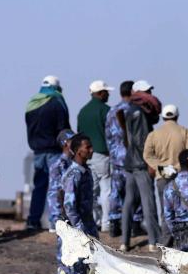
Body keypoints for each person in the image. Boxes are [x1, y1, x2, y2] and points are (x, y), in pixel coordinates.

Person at [144, 103, 188, 246]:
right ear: (177, 116)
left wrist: (161, 167)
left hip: (162, 177)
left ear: (162, 117)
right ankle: (183, 241)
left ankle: (166, 242)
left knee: (165, 210)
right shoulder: (185, 132)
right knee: (183, 210)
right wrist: (177, 167)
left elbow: (147, 155)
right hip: (181, 177)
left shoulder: (154, 134)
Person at [120, 80, 163, 252]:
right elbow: (141, 140)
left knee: (129, 201)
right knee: (148, 201)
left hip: (131, 161)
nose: (150, 95)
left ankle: (124, 241)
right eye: (147, 92)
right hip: (140, 163)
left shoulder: (131, 109)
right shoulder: (139, 112)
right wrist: (149, 162)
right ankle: (154, 241)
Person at [25, 75, 70, 230]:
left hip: (38, 152)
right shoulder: (57, 102)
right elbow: (63, 128)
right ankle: (55, 221)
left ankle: (33, 221)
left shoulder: (31, 104)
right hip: (54, 151)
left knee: (39, 187)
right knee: (56, 186)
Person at [57, 134, 98, 274]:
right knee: (72, 270)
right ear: (78, 151)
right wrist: (80, 229)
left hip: (87, 224)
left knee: (89, 266)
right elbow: (69, 206)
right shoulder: (74, 174)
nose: (91, 150)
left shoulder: (86, 171)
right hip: (74, 229)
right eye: (87, 147)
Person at [77, 80, 113, 233]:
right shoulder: (107, 110)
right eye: (106, 92)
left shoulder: (82, 112)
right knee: (106, 189)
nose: (108, 94)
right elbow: (113, 133)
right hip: (102, 153)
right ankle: (106, 223)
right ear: (100, 93)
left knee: (90, 190)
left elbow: (79, 134)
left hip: (86, 155)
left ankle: (93, 221)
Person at [105, 80, 136, 238]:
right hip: (132, 157)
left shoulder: (112, 111)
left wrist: (113, 151)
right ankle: (135, 223)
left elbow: (108, 135)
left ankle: (114, 221)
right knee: (134, 190)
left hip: (116, 157)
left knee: (116, 190)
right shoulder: (134, 110)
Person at [47, 130, 75, 231]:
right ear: (65, 144)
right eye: (73, 141)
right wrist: (57, 218)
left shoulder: (75, 163)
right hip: (63, 218)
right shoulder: (58, 165)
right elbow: (54, 193)